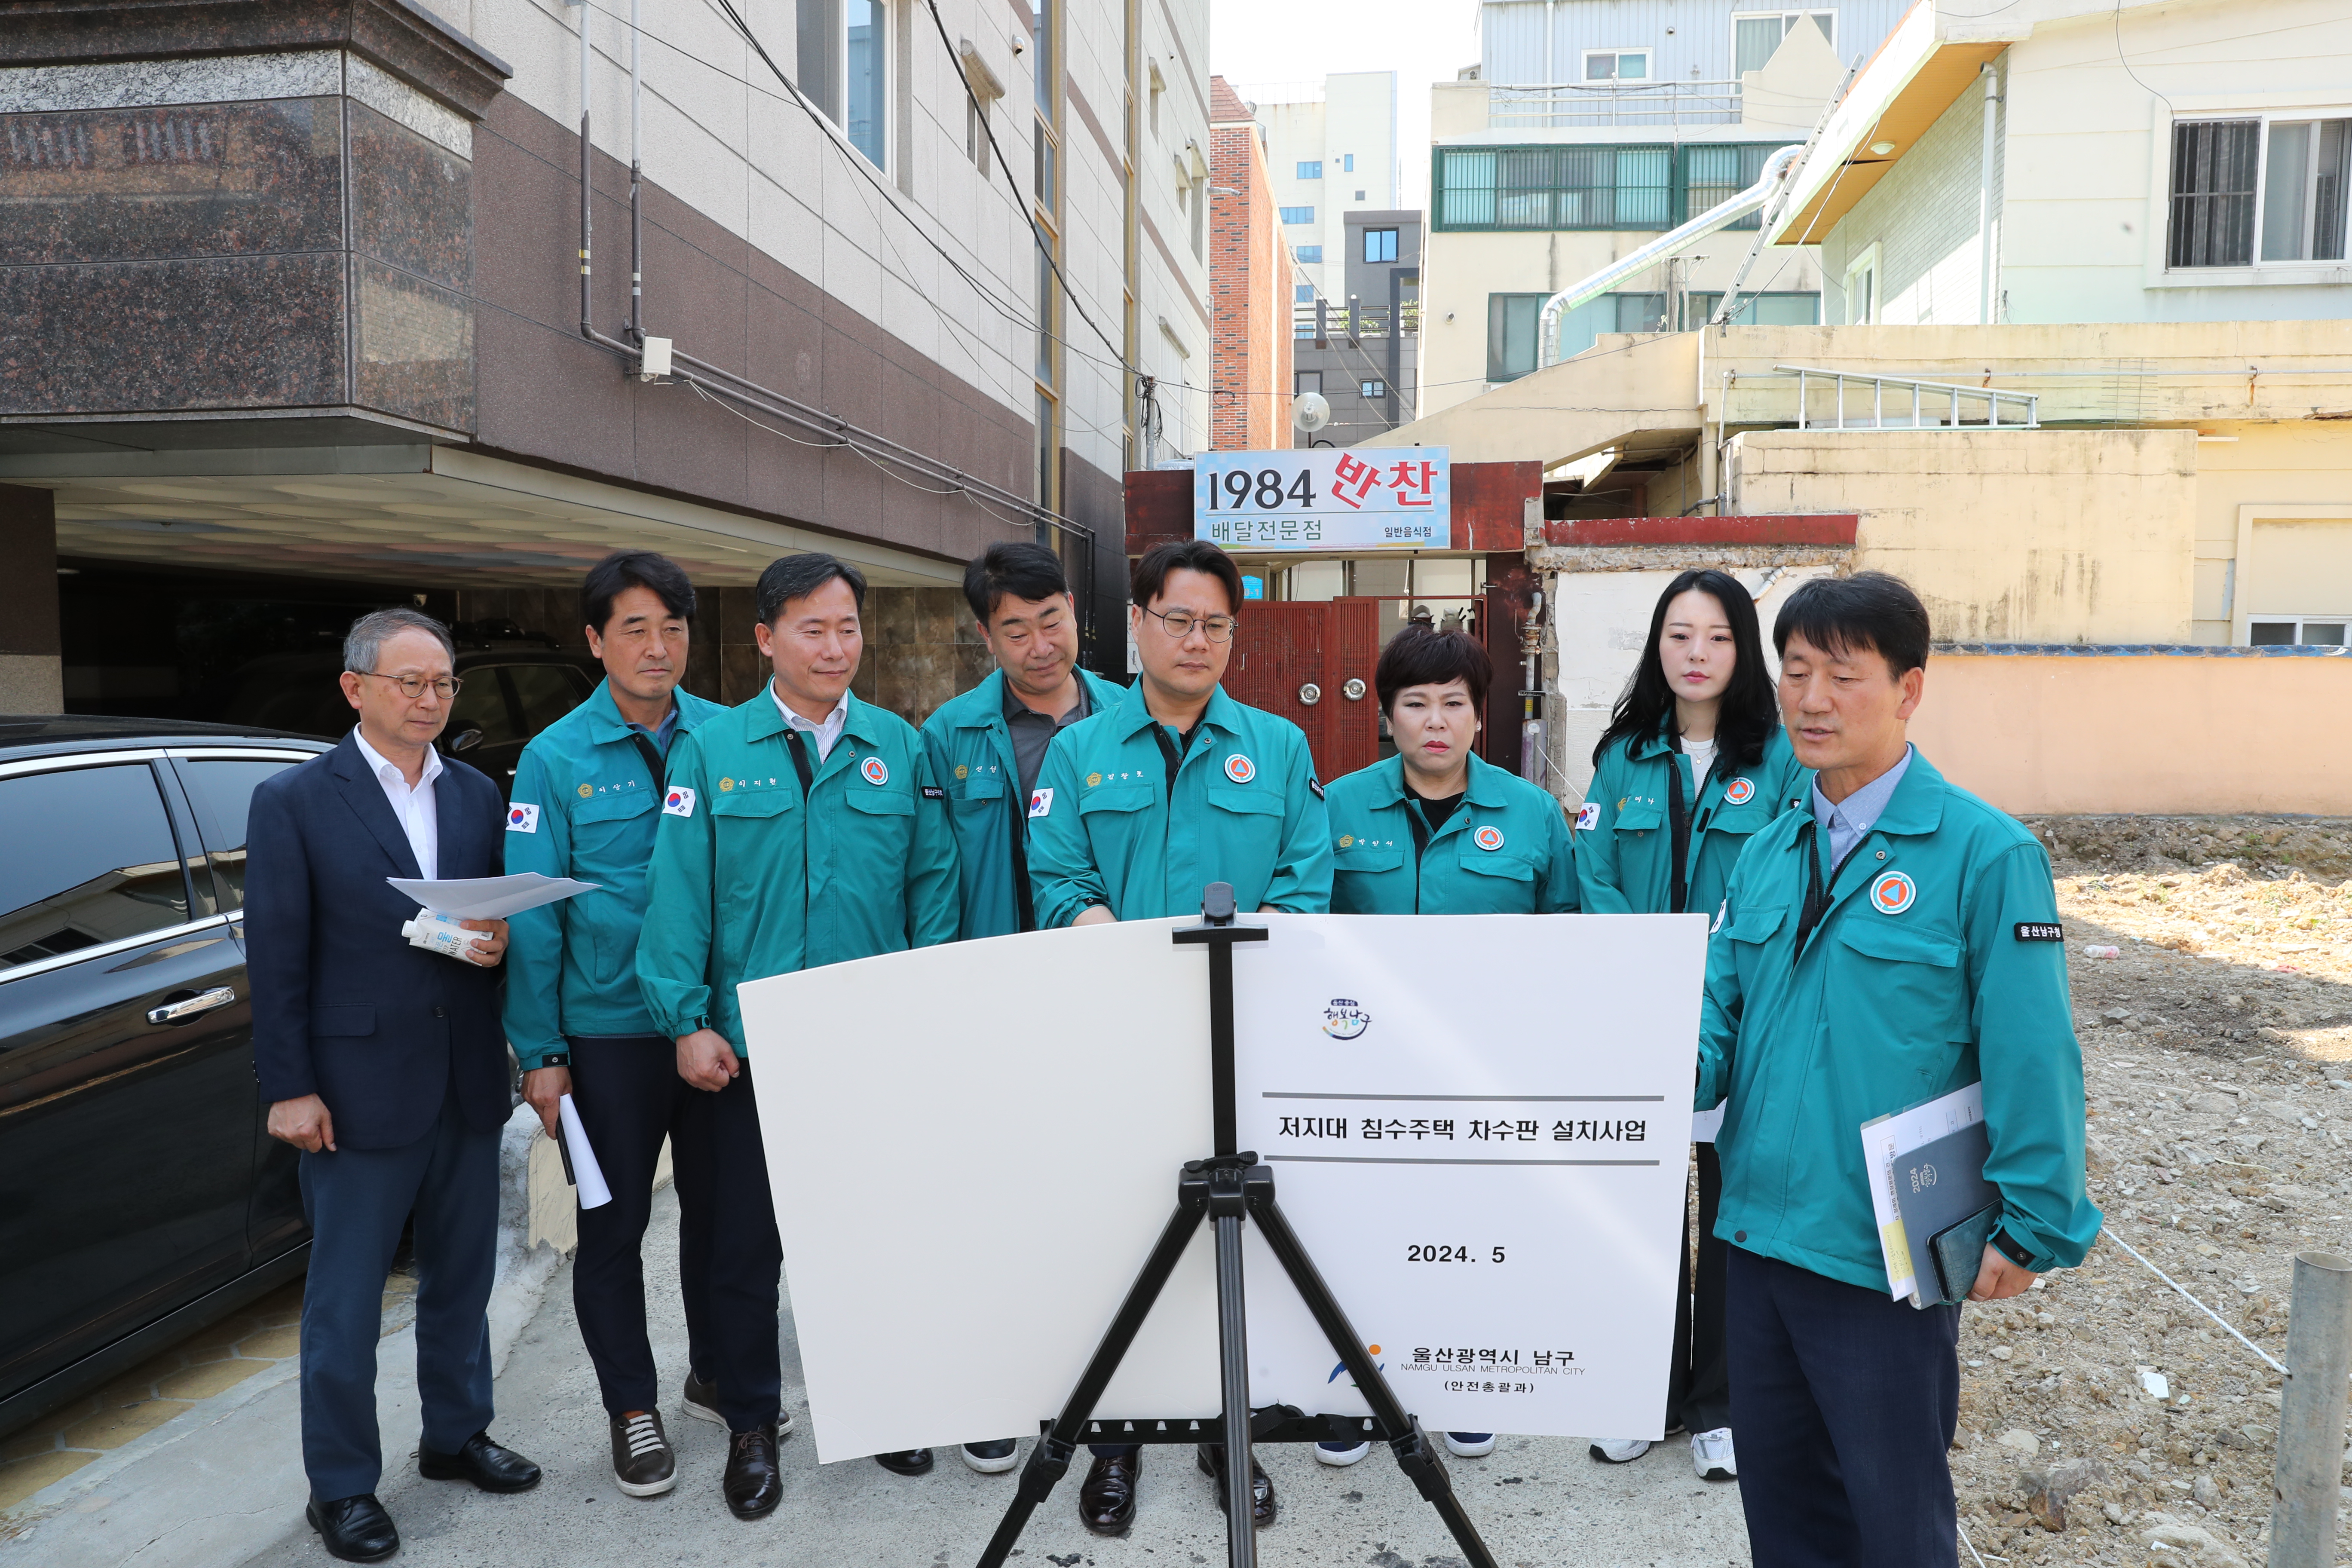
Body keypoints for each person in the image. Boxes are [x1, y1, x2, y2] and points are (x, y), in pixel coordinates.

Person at [1696, 572, 2100, 1568]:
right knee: (1784, 1517)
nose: (1812, 700)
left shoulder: (1985, 855)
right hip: (1755, 1238)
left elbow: (2032, 1050)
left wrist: (2034, 1222)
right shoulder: (1768, 850)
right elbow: (1714, 1024)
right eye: (1796, 672)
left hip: (1883, 1256)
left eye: (1844, 676)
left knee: (1896, 1521)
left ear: (1909, 690)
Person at [636, 551, 958, 1517]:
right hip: (747, 1051)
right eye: (812, 629)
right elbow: (679, 895)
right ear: (766, 639)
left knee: (870, 1241)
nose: (834, 647)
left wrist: (920, 1009)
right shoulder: (712, 751)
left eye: (847, 627)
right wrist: (688, 1021)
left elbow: (932, 889)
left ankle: (885, 1409)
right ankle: (750, 1423)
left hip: (866, 1047)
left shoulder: (899, 747)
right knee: (744, 1248)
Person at [1026, 538, 1333, 1536]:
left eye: (1215, 625)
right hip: (1120, 1041)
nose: (1197, 641)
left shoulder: (1279, 749)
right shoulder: (1078, 752)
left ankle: (1228, 1434)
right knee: (1121, 1239)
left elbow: (1304, 885)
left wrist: (1235, 973)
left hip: (1244, 1041)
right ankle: (1114, 1443)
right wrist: (1121, 962)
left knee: (1232, 1251)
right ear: (1139, 625)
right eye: (1178, 621)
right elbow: (1059, 879)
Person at [246, 609, 540, 1564]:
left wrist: (497, 941)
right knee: (346, 1302)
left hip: (464, 1074)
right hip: (354, 1087)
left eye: (443, 684)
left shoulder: (476, 792)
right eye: (410, 682)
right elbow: (277, 955)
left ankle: (456, 1435)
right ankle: (341, 1486)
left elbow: (488, 917)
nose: (429, 700)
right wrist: (290, 1087)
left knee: (463, 1278)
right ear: (355, 688)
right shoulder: (294, 800)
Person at [1318, 621, 1576, 1470]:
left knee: (1472, 1235)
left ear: (1479, 715)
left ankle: (1465, 1381)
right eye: (1416, 703)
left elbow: (1565, 940)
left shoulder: (1532, 814)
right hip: (1364, 1071)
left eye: (1454, 704)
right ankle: (1355, 1392)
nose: (1436, 721)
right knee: (1363, 1236)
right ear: (1386, 715)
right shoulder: (1338, 808)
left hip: (1483, 1076)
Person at [1574, 569, 1809, 1482]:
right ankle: (1646, 1394)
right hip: (1638, 1009)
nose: (1697, 654)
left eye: (1717, 636)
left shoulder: (1780, 758)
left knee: (1729, 1216)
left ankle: (1720, 1406)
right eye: (1680, 635)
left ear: (1743, 650)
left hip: (1738, 1015)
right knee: (1641, 1210)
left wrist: (1715, 962)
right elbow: (1594, 873)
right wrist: (1644, 965)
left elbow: (1787, 881)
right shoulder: (1625, 754)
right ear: (1657, 646)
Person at [502, 551, 728, 1501]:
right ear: (596, 641)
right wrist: (542, 1052)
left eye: (673, 627)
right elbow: (531, 913)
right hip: (607, 1037)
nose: (658, 647)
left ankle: (716, 1374)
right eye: (634, 629)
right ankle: (632, 1408)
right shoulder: (554, 759)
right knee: (612, 1227)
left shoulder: (728, 735)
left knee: (725, 1219)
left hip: (714, 1029)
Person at [917, 541, 1126, 1476]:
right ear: (985, 635)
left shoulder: (1127, 717)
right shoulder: (949, 734)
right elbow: (932, 874)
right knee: (992, 1197)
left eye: (1052, 621)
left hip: (1100, 996)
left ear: (1075, 610)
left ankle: (1109, 1397)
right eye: (1015, 630)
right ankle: (997, 1387)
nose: (1040, 646)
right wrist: (940, 989)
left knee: (1106, 1200)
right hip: (991, 997)